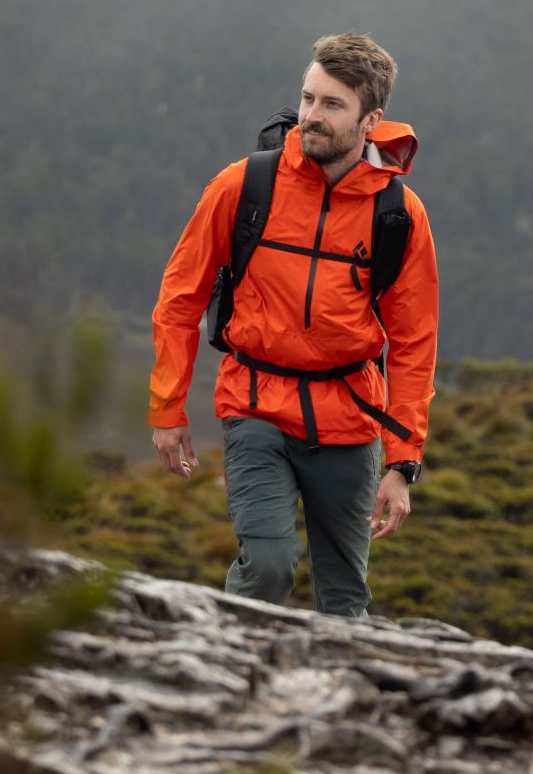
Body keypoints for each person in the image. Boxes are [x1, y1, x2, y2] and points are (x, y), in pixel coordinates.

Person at [148, 32, 438, 617]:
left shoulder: (399, 215)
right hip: (255, 408)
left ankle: (337, 705)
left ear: (370, 119)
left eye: (332, 105)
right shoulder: (244, 186)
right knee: (270, 565)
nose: (311, 116)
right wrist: (167, 408)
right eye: (308, 98)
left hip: (352, 421)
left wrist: (402, 459)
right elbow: (181, 296)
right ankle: (224, 688)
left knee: (344, 598)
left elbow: (414, 343)